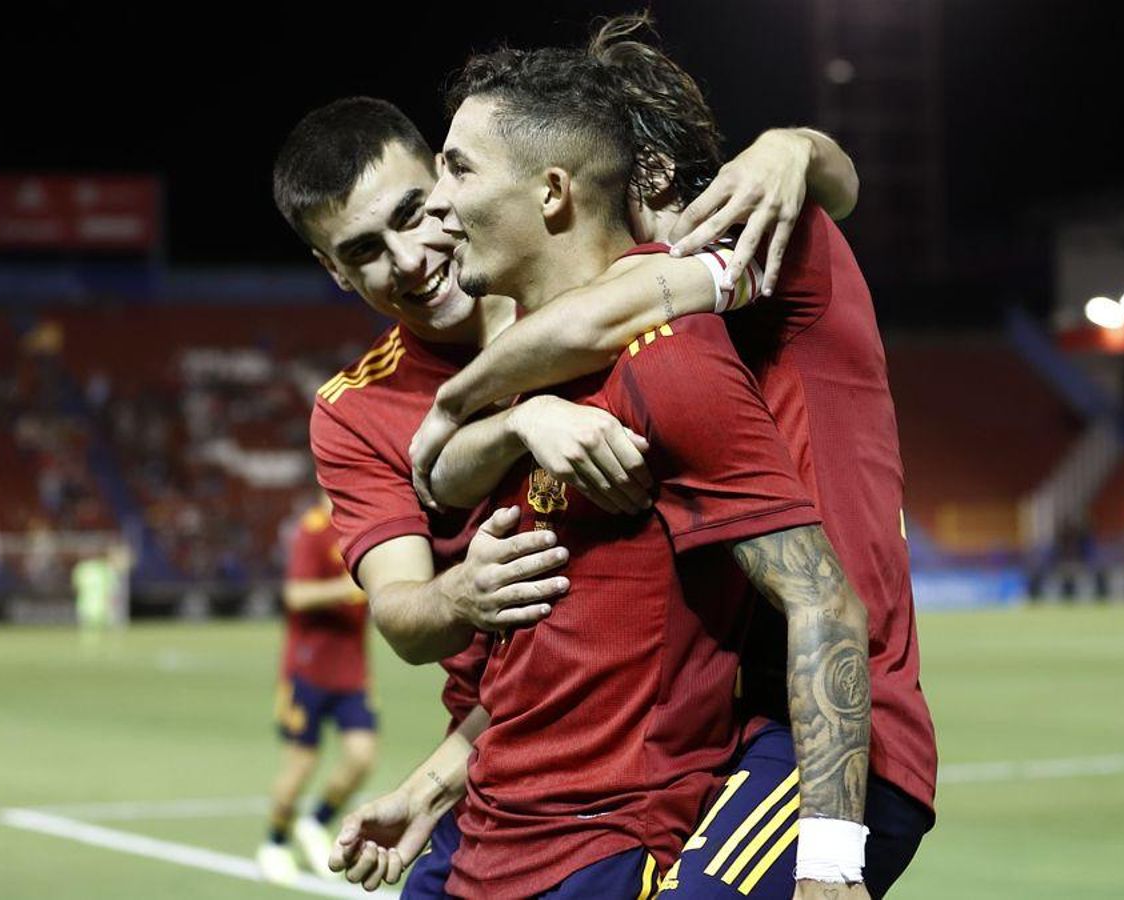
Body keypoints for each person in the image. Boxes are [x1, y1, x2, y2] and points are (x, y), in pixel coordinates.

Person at [272, 88, 858, 896]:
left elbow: (813, 216)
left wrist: (793, 142)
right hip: (495, 770)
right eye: (365, 249)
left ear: (448, 184)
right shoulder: (354, 410)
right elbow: (408, 619)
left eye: (414, 212)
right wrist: (467, 585)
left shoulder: (598, 296)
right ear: (332, 269)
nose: (409, 259)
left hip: (628, 787)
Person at [257, 496, 379, 884]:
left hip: (351, 674)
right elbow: (296, 595)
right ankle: (274, 843)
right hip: (307, 672)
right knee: (301, 764)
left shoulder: (367, 523)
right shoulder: (313, 530)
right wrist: (344, 587)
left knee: (362, 756)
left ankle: (316, 821)